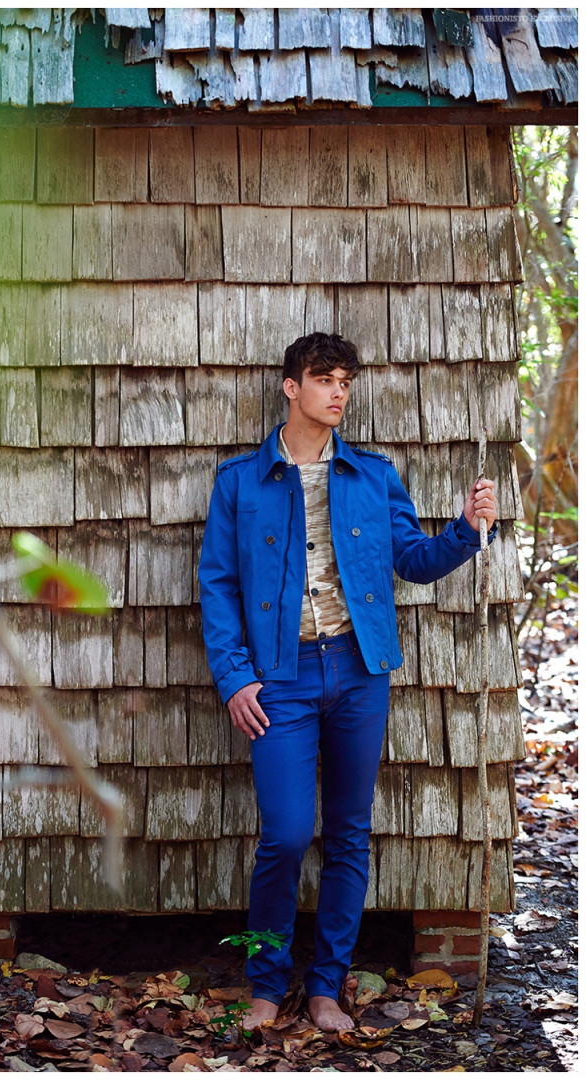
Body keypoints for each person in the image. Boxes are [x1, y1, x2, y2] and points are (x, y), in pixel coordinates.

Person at [198, 332, 498, 1032]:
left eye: (346, 383)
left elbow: (414, 561)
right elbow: (217, 585)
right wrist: (235, 678)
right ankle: (266, 984)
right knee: (285, 834)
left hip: (360, 672)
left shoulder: (372, 476)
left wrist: (464, 528)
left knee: (349, 835)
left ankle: (327, 987)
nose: (338, 393)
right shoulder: (239, 481)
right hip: (280, 678)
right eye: (325, 380)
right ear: (291, 387)